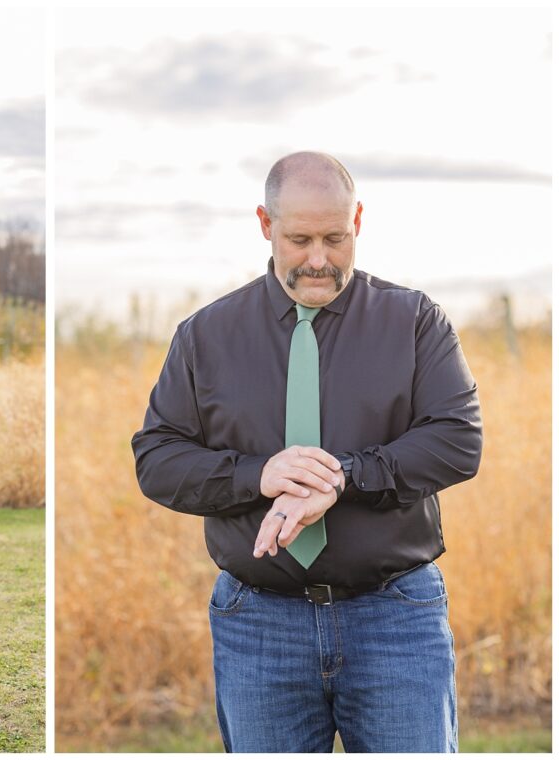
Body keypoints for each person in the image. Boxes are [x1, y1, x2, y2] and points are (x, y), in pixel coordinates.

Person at [131, 152, 482, 753]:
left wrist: (344, 476)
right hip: (258, 626)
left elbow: (457, 439)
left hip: (396, 616)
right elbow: (157, 458)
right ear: (266, 224)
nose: (319, 259)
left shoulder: (414, 321)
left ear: (359, 221)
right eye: (299, 239)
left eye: (334, 238)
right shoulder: (204, 336)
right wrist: (258, 474)